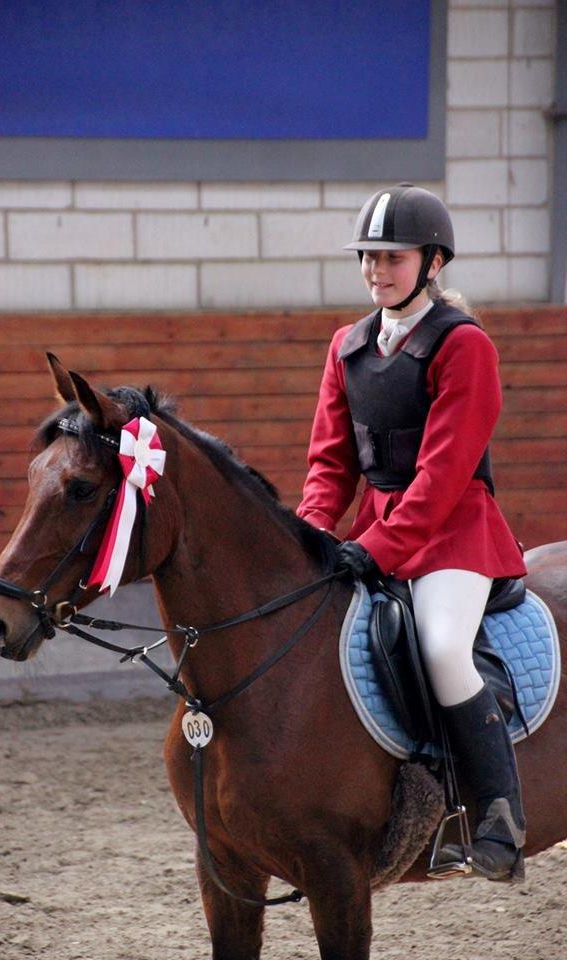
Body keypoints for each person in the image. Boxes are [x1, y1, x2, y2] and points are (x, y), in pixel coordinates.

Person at [297, 183, 527, 882]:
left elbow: (444, 475)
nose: (376, 272)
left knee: (441, 647)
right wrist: (309, 538)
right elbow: (330, 464)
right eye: (368, 258)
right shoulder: (349, 346)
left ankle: (497, 817)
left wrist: (376, 549)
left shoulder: (464, 347)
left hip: (453, 534)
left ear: (431, 262)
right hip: (377, 531)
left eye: (390, 258)